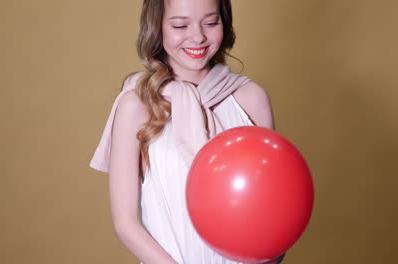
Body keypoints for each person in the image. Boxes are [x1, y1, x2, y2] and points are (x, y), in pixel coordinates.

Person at [90, 0, 285, 263]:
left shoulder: (250, 98)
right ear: (156, 28)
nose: (197, 36)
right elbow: (125, 223)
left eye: (210, 22)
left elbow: (273, 207)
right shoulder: (137, 105)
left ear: (224, 22)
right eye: (180, 24)